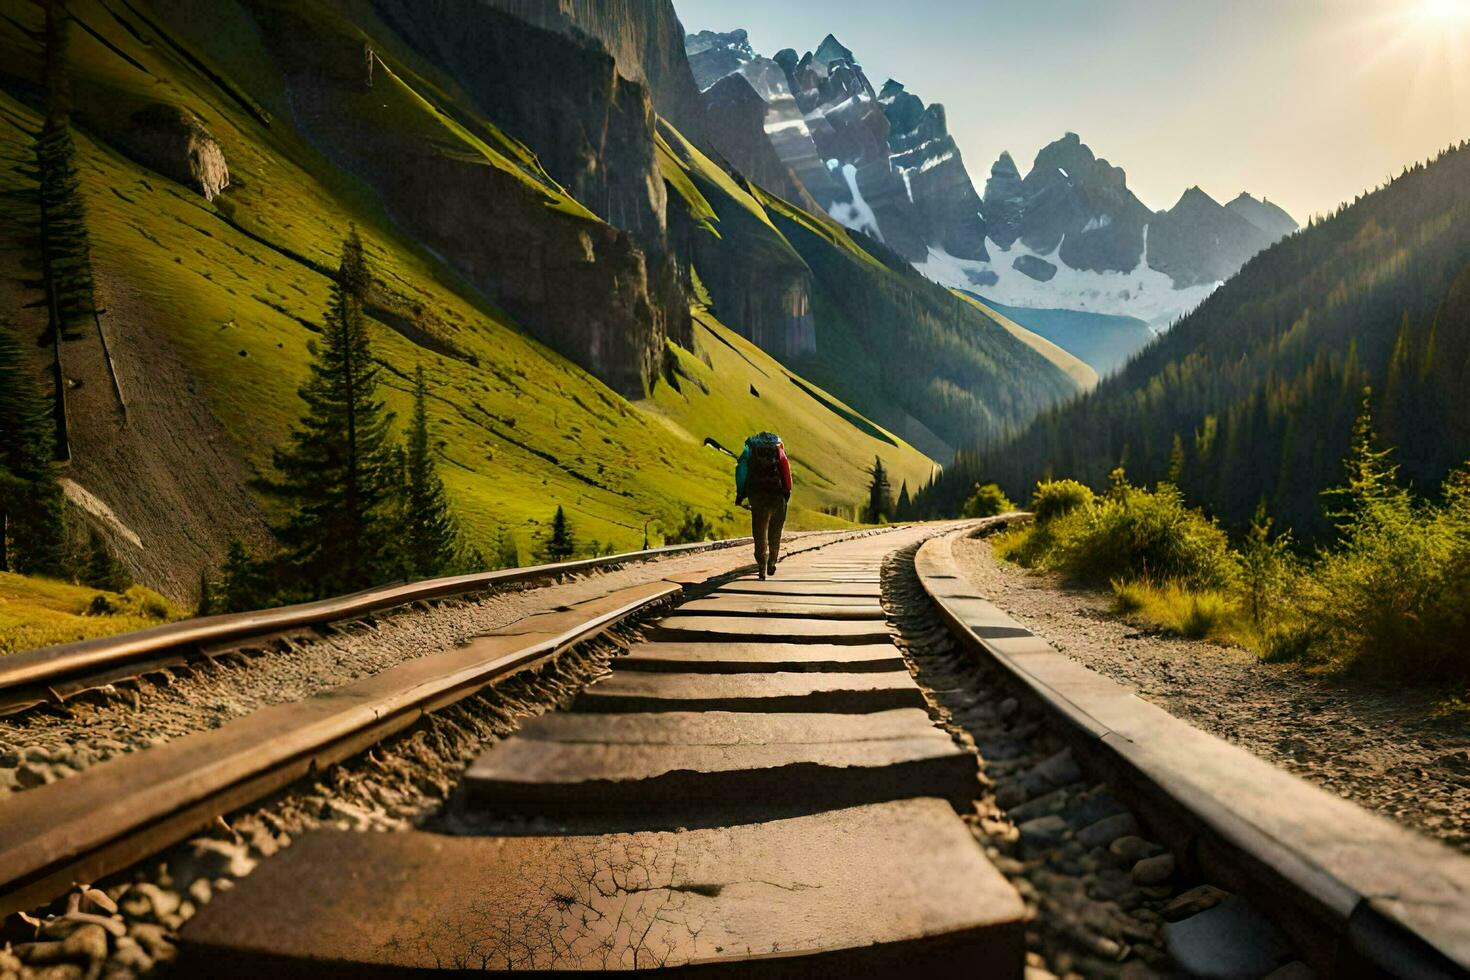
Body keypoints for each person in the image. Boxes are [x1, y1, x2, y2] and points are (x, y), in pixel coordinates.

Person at [734, 432, 792, 579]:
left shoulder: (750, 450)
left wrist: (741, 493)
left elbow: (741, 471)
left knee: (759, 531)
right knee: (775, 531)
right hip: (777, 494)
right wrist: (787, 490)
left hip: (757, 496)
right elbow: (785, 468)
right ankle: (772, 561)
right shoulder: (778, 449)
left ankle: (761, 566)